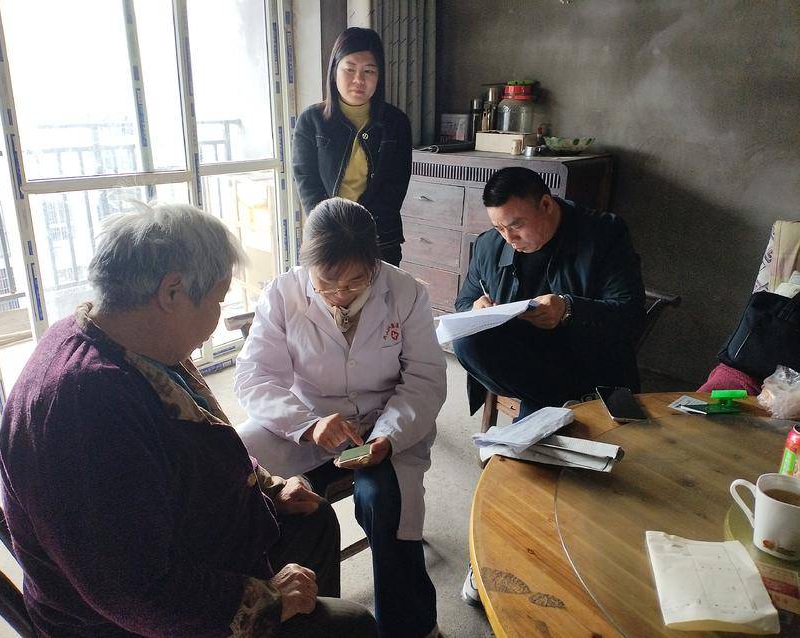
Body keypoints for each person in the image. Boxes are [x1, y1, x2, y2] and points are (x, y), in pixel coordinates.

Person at [0, 202, 376, 638]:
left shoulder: (132, 341)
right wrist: (268, 600)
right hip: (130, 623)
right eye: (217, 300)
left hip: (185, 544)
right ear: (172, 292)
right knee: (353, 626)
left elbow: (201, 443)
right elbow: (137, 593)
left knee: (314, 519)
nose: (216, 320)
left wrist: (268, 489)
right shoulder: (88, 407)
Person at [234, 198, 446, 638]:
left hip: (382, 422)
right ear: (307, 264)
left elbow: (424, 379)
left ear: (374, 264)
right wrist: (307, 424)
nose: (341, 294)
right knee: (239, 463)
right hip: (307, 421)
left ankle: (407, 626)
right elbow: (254, 378)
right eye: (328, 284)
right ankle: (284, 609)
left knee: (385, 501)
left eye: (355, 282)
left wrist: (388, 437)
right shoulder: (283, 293)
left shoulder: (406, 292)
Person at [452, 167, 645, 605]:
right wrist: (475, 307)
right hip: (528, 369)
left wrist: (570, 309)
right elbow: (464, 300)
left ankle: (494, 556)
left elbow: (630, 314)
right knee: (466, 340)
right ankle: (549, 413)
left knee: (525, 454)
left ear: (546, 204)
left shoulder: (603, 234)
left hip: (588, 365)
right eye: (499, 228)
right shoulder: (491, 244)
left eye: (516, 225)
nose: (508, 238)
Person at [292, 27, 412, 267]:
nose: (359, 79)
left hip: (380, 238)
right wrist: (334, 228)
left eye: (369, 71)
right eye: (349, 69)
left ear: (379, 76)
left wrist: (360, 229)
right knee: (326, 292)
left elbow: (395, 187)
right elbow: (307, 181)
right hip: (327, 237)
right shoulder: (311, 120)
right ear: (334, 70)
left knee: (380, 292)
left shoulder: (396, 122)